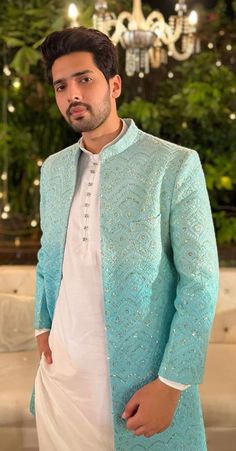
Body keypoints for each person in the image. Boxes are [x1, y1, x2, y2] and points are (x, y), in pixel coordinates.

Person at [30, 26, 219, 451]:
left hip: (137, 384)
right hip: (61, 384)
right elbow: (49, 256)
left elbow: (201, 283)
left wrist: (172, 383)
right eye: (61, 86)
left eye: (85, 79)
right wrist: (42, 324)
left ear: (114, 84)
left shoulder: (174, 166)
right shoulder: (54, 170)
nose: (72, 94)